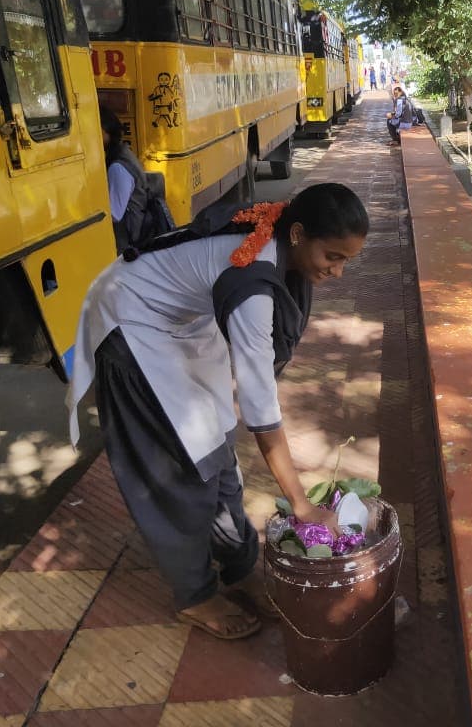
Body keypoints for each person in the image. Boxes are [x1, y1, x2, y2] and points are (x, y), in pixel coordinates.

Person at [66, 183, 369, 639]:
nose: (339, 273)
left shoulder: (276, 243)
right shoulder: (252, 286)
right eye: (333, 257)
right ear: (298, 234)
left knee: (217, 447)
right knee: (182, 467)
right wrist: (301, 505)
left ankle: (241, 567)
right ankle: (195, 595)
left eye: (347, 261)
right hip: (132, 324)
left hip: (182, 324)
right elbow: (260, 406)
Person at [100, 105, 174, 253]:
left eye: (98, 131)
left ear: (108, 132)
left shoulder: (118, 167)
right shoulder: (123, 153)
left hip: (129, 237)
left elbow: (114, 214)